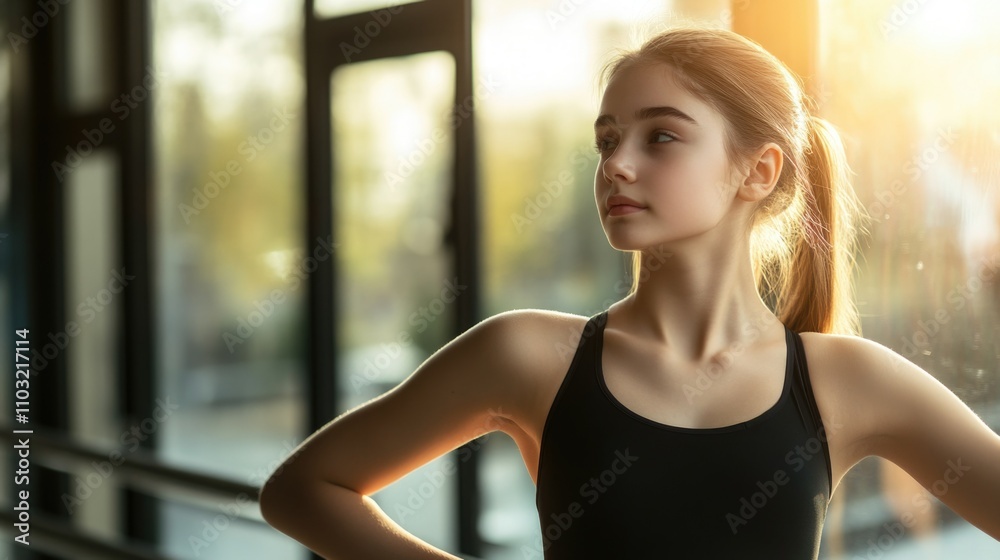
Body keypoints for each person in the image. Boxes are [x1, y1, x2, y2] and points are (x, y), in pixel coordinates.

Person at [259, 26, 1000, 559]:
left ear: (759, 170)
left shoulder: (845, 379)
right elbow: (301, 489)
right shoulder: (527, 355)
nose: (617, 164)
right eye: (607, 139)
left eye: (661, 137)